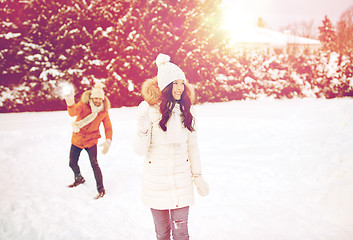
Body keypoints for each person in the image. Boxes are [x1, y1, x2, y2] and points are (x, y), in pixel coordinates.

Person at [133, 53, 209, 239]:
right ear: (165, 86)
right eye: (175, 83)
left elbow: (193, 147)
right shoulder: (150, 112)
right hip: (156, 183)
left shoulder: (187, 112)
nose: (180, 87)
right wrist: (142, 125)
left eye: (182, 83)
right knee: (162, 234)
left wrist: (197, 175)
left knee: (181, 233)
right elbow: (139, 150)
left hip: (181, 181)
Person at [64, 82, 113, 199]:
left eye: (100, 98)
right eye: (95, 98)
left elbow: (108, 127)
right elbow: (72, 112)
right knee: (72, 162)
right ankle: (78, 178)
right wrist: (70, 101)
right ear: (91, 97)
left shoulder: (104, 112)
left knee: (94, 164)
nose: (97, 100)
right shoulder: (83, 105)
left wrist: (108, 141)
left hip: (91, 141)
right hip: (78, 139)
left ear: (103, 99)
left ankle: (101, 190)